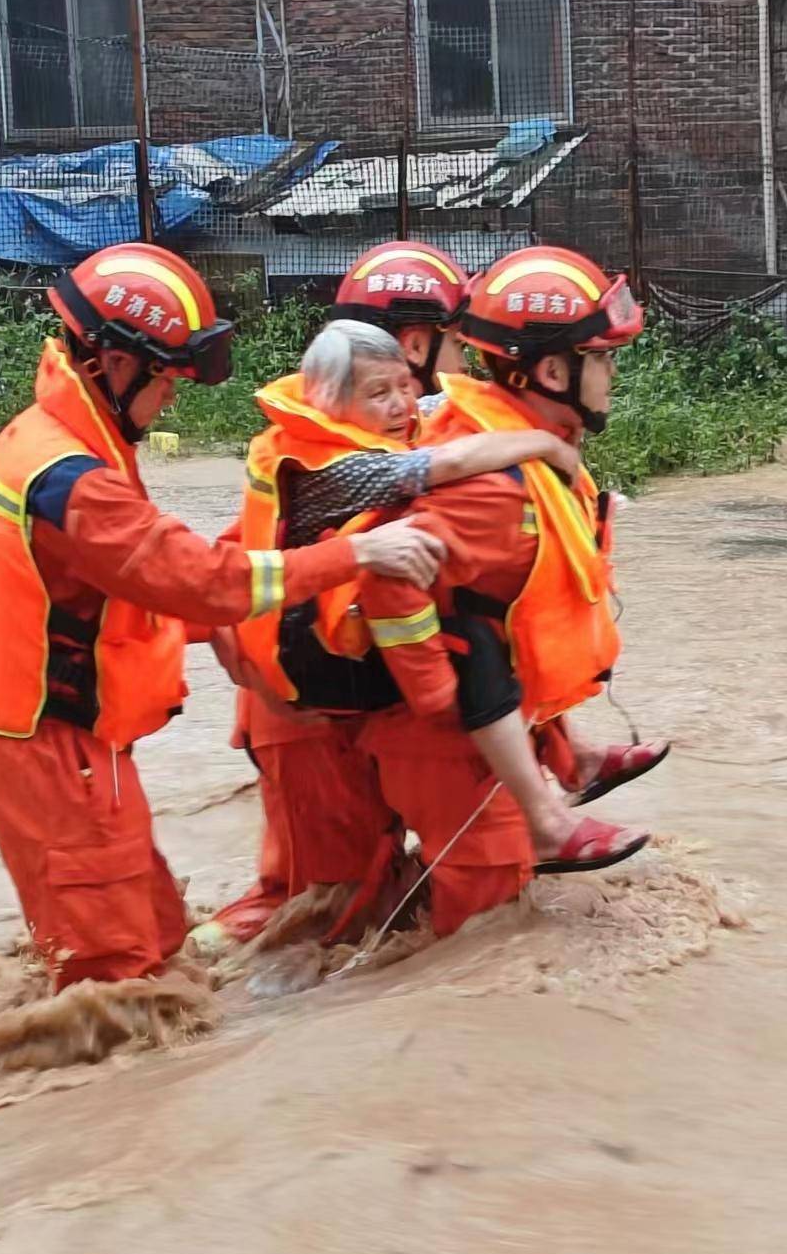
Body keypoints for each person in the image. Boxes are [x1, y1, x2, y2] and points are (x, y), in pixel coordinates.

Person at [0, 243, 443, 991]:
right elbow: (195, 579)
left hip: (55, 742)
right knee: (120, 981)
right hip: (47, 750)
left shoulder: (58, 441)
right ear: (112, 363)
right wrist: (355, 558)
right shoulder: (75, 481)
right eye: (163, 380)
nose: (170, 400)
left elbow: (132, 586)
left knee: (159, 942)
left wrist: (228, 619)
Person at [203, 316, 642, 950]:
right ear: (331, 399)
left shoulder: (377, 424)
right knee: (323, 898)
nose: (403, 402)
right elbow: (443, 466)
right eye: (380, 393)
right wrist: (548, 447)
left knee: (366, 891)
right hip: (309, 702)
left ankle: (568, 765)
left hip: (341, 682)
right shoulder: (331, 468)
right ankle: (225, 977)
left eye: (405, 387)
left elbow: (458, 403)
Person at [355, 245, 667, 938]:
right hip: (447, 749)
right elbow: (386, 580)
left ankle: (566, 768)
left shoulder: (517, 441)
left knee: (429, 923)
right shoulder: (495, 490)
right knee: (479, 949)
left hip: (487, 734)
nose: (612, 373)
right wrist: (443, 699)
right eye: (603, 357)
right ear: (553, 371)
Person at [325, 240, 468, 398]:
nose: (465, 365)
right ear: (415, 346)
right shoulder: (442, 420)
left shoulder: (317, 408)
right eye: (458, 346)